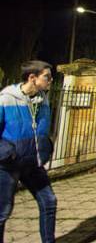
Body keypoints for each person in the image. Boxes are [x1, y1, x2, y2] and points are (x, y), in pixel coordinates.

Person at [0, 60, 56, 242]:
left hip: (33, 163)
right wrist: (7, 152)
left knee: (49, 202)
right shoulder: (6, 98)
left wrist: (45, 146)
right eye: (46, 76)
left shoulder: (43, 100)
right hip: (8, 164)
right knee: (2, 211)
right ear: (32, 78)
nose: (50, 80)